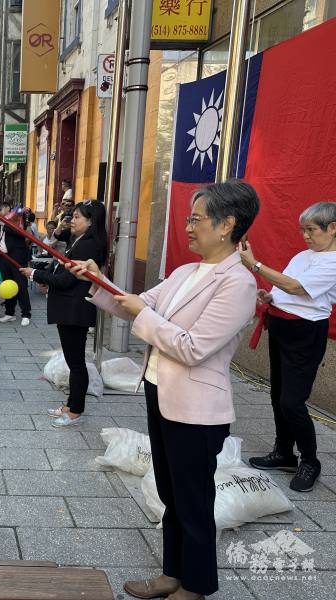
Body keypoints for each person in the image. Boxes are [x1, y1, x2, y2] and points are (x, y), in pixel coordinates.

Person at [71, 181, 260, 600]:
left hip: (198, 409)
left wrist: (143, 313)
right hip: (161, 393)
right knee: (170, 492)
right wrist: (99, 280)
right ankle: (172, 573)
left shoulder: (238, 284)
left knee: (193, 501)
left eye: (196, 219)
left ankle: (195, 586)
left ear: (227, 225)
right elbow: (136, 304)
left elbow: (193, 347)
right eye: (189, 219)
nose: (188, 227)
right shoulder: (184, 273)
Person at [239, 201, 336, 492]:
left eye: (311, 230)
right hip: (281, 326)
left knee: (292, 401)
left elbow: (296, 287)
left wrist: (255, 265)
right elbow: (286, 288)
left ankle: (310, 461)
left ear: (332, 228)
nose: (306, 236)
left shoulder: (333, 261)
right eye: (303, 230)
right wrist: (271, 297)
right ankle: (284, 452)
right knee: (278, 394)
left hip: (305, 333)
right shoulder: (303, 256)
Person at [20, 201, 108, 427]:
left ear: (91, 221)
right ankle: (71, 404)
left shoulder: (88, 245)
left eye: (77, 217)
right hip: (69, 307)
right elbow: (59, 252)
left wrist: (35, 274)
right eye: (73, 216)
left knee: (76, 362)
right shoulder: (79, 240)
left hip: (75, 309)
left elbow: (67, 280)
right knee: (72, 360)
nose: (72, 221)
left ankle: (76, 410)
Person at [0, 202, 31, 326]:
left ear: (8, 208)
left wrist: (5, 224)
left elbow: (20, 232)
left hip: (17, 257)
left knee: (21, 285)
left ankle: (26, 314)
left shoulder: (17, 217)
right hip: (3, 257)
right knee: (8, 285)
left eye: (0, 209)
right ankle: (9, 313)